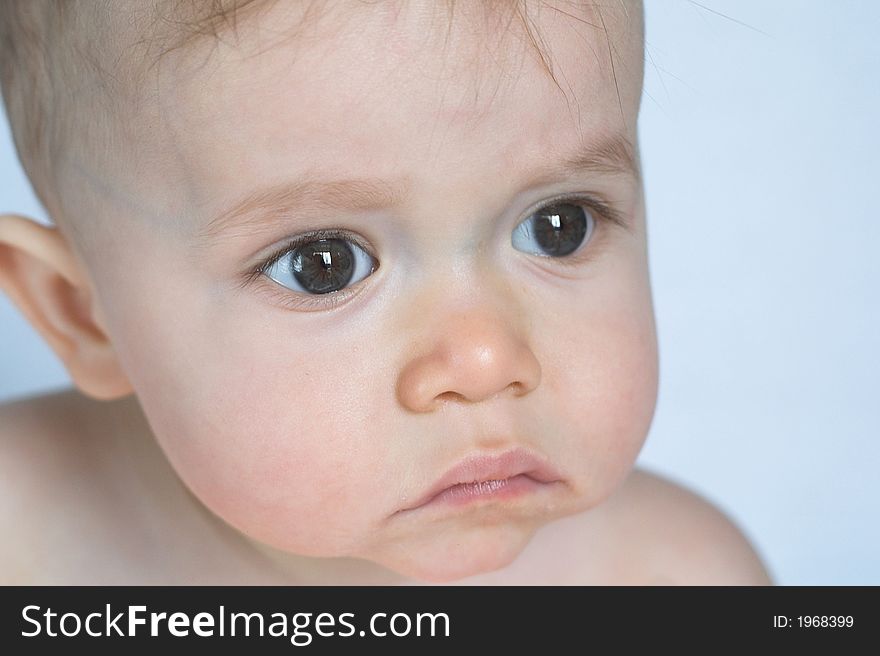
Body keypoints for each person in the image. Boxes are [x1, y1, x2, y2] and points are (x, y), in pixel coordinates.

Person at [0, 0, 771, 584]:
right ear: (80, 313)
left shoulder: (675, 577)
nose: (483, 360)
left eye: (557, 225)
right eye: (323, 263)